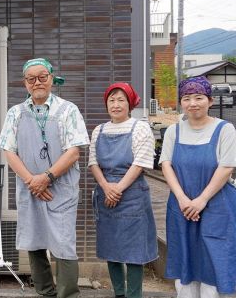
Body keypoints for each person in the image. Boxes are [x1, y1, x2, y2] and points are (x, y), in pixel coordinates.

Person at [0, 58, 89, 298]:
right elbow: (8, 150)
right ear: (25, 83)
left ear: (51, 78)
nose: (37, 82)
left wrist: (46, 177)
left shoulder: (68, 110)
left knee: (63, 242)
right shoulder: (15, 113)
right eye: (31, 78)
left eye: (42, 77)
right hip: (30, 188)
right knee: (34, 239)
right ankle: (44, 292)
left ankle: (67, 293)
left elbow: (74, 151)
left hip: (61, 188)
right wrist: (32, 181)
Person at [159, 76, 236, 298]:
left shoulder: (225, 129)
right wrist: (183, 199)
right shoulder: (174, 131)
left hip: (217, 206)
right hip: (181, 207)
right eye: (187, 98)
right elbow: (166, 165)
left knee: (214, 260)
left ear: (210, 101)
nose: (193, 103)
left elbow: (226, 167)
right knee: (185, 259)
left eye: (199, 97)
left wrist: (201, 200)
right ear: (181, 102)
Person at [88, 82, 158, 298]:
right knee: (112, 247)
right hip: (105, 190)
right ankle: (119, 293)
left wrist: (117, 189)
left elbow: (141, 162)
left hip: (132, 193)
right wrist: (106, 187)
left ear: (130, 104)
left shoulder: (140, 127)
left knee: (134, 250)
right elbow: (93, 163)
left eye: (121, 100)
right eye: (111, 100)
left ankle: (134, 294)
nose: (116, 105)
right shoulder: (98, 130)